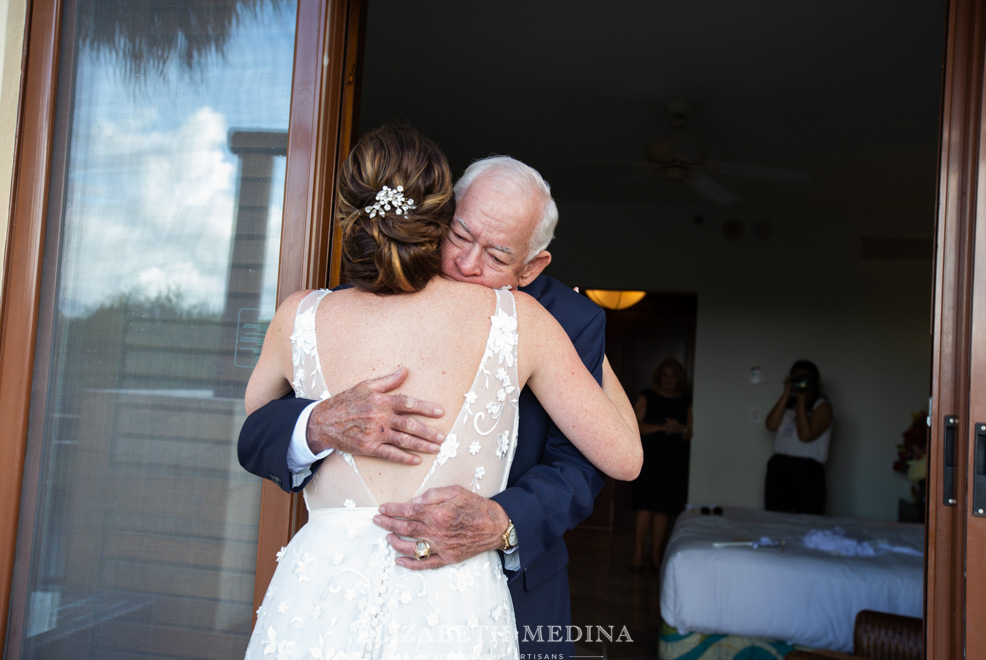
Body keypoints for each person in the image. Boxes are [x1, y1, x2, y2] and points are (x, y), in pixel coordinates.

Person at [242, 125, 642, 658]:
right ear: (438, 217)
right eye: (459, 235)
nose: (467, 265)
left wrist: (504, 522)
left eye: (498, 256)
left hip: (489, 590)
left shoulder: (559, 321)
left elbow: (598, 463)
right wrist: (315, 423)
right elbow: (260, 424)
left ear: (532, 266)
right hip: (329, 595)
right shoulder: (331, 307)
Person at [630, 358, 693, 572]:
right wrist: (659, 428)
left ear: (679, 379)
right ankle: (638, 554)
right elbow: (634, 426)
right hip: (649, 460)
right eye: (665, 375)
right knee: (645, 506)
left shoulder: (686, 402)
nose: (669, 380)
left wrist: (679, 429)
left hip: (672, 462)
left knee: (663, 510)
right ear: (659, 377)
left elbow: (688, 434)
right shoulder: (646, 396)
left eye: (673, 376)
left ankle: (656, 556)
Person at [764, 359, 833, 515]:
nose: (800, 382)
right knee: (775, 517)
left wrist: (801, 400)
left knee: (806, 520)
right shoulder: (788, 406)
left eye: (804, 378)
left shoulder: (823, 406)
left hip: (806, 471)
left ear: (814, 382)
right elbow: (770, 425)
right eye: (795, 378)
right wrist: (787, 393)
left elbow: (805, 435)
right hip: (779, 466)